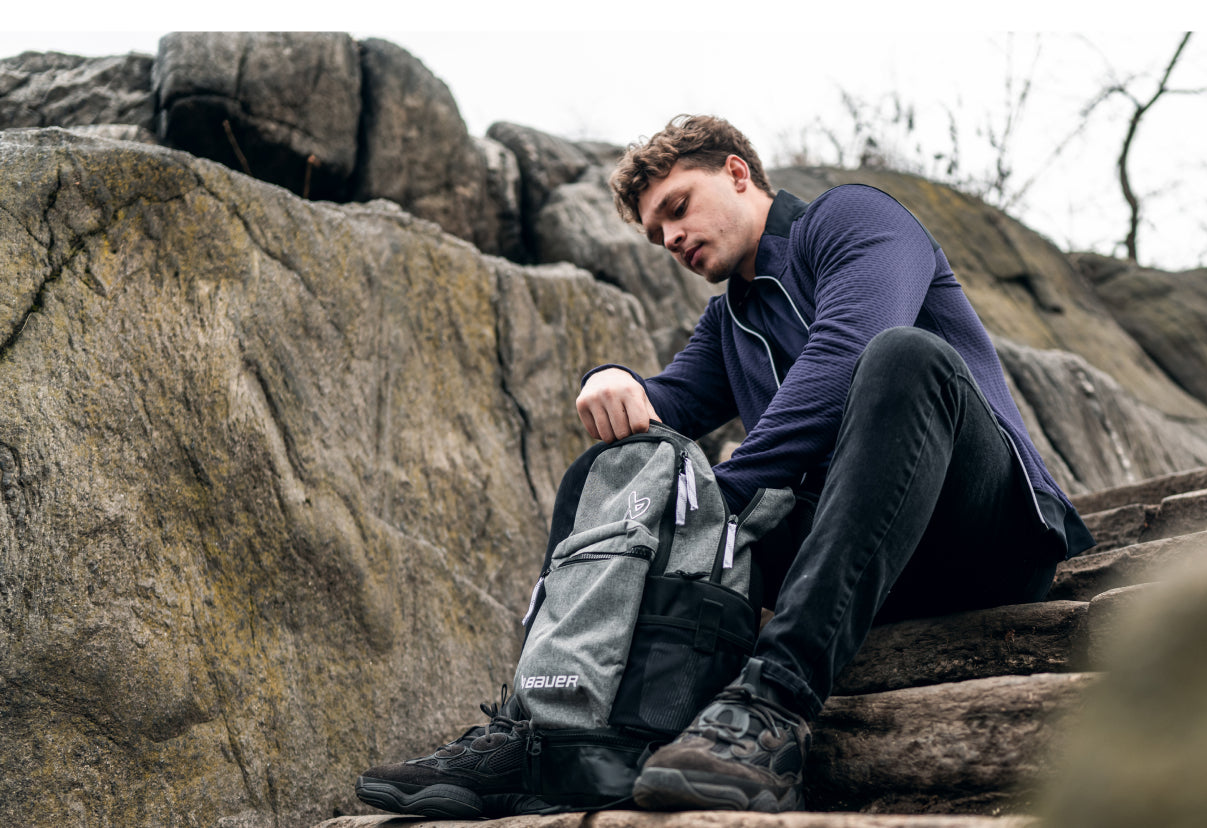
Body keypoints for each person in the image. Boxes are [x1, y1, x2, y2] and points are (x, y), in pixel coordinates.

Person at [355, 114, 1093, 818]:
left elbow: (843, 357)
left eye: (678, 207)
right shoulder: (728, 319)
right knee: (620, 473)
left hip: (986, 531)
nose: (671, 237)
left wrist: (721, 502)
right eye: (655, 232)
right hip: (860, 563)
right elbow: (664, 408)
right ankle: (542, 729)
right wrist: (616, 380)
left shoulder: (852, 221)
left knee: (902, 359)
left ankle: (773, 705)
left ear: (738, 173)